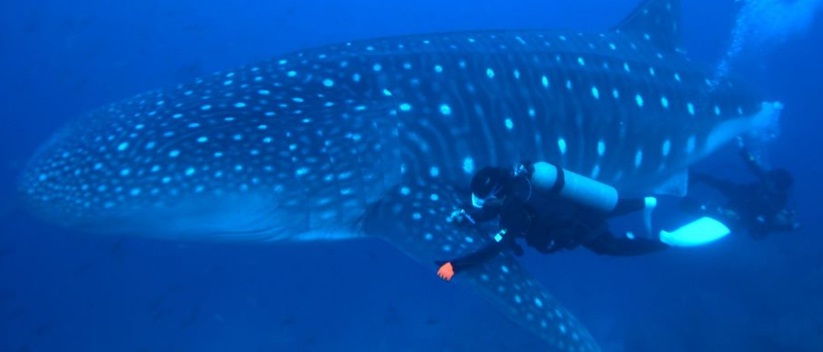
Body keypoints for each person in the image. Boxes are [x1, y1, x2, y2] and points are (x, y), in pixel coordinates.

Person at [436, 162, 670, 282]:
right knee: (609, 207)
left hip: (577, 226)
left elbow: (495, 247)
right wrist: (472, 215)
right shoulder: (517, 178)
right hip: (575, 205)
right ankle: (644, 203)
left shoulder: (513, 211)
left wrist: (455, 266)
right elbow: (493, 209)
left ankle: (662, 243)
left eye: (485, 198)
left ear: (497, 191)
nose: (483, 203)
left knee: (612, 248)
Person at [682, 148, 799, 239]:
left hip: (745, 211)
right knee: (721, 185)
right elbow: (754, 167)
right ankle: (694, 177)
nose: (768, 182)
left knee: (725, 216)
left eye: (771, 183)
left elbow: (757, 232)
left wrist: (743, 218)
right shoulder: (769, 180)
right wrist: (742, 150)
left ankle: (697, 207)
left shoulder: (776, 204)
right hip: (744, 194)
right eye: (770, 180)